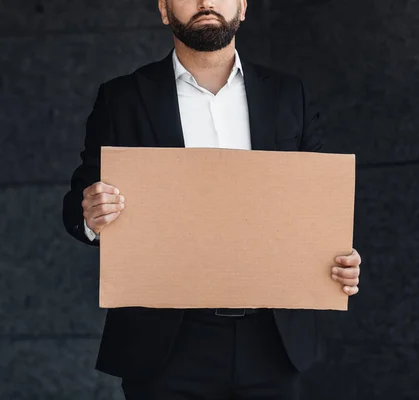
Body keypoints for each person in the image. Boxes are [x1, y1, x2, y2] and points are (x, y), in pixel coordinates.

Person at [62, 0, 362, 399]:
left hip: (273, 341)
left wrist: (339, 257)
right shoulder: (122, 98)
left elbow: (318, 205)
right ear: (165, 10)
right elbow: (77, 205)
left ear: (242, 6)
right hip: (164, 344)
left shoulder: (290, 95)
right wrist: (92, 216)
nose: (206, 2)